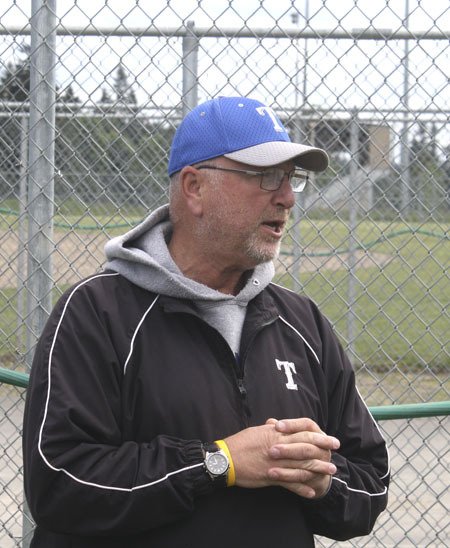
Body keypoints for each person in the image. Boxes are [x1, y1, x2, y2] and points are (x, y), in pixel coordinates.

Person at [23, 96, 390, 548]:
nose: (288, 197)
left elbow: (372, 481)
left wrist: (323, 482)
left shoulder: (301, 322)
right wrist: (219, 463)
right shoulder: (96, 313)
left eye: (292, 178)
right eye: (266, 177)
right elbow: (59, 484)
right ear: (195, 187)